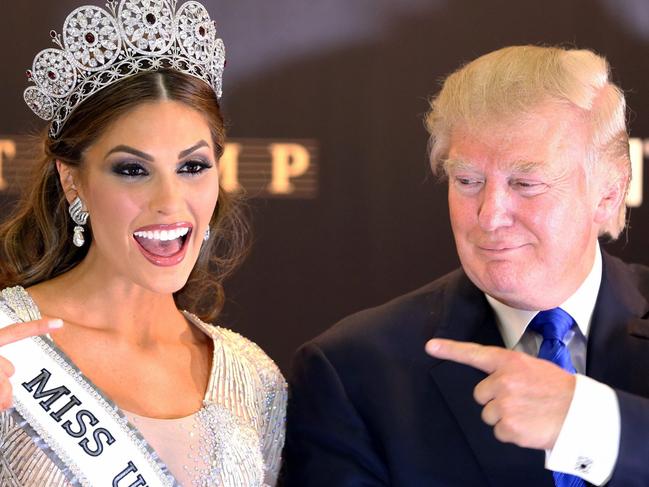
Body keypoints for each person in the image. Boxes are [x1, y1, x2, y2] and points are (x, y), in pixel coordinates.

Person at [283, 45, 649, 487]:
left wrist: (589, 424)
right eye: (468, 181)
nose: (489, 215)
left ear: (609, 193)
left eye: (525, 183)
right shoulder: (354, 370)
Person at [0, 1, 286, 486]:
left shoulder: (254, 380)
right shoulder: (7, 344)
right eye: (133, 170)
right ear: (73, 182)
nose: (169, 202)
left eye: (192, 167)